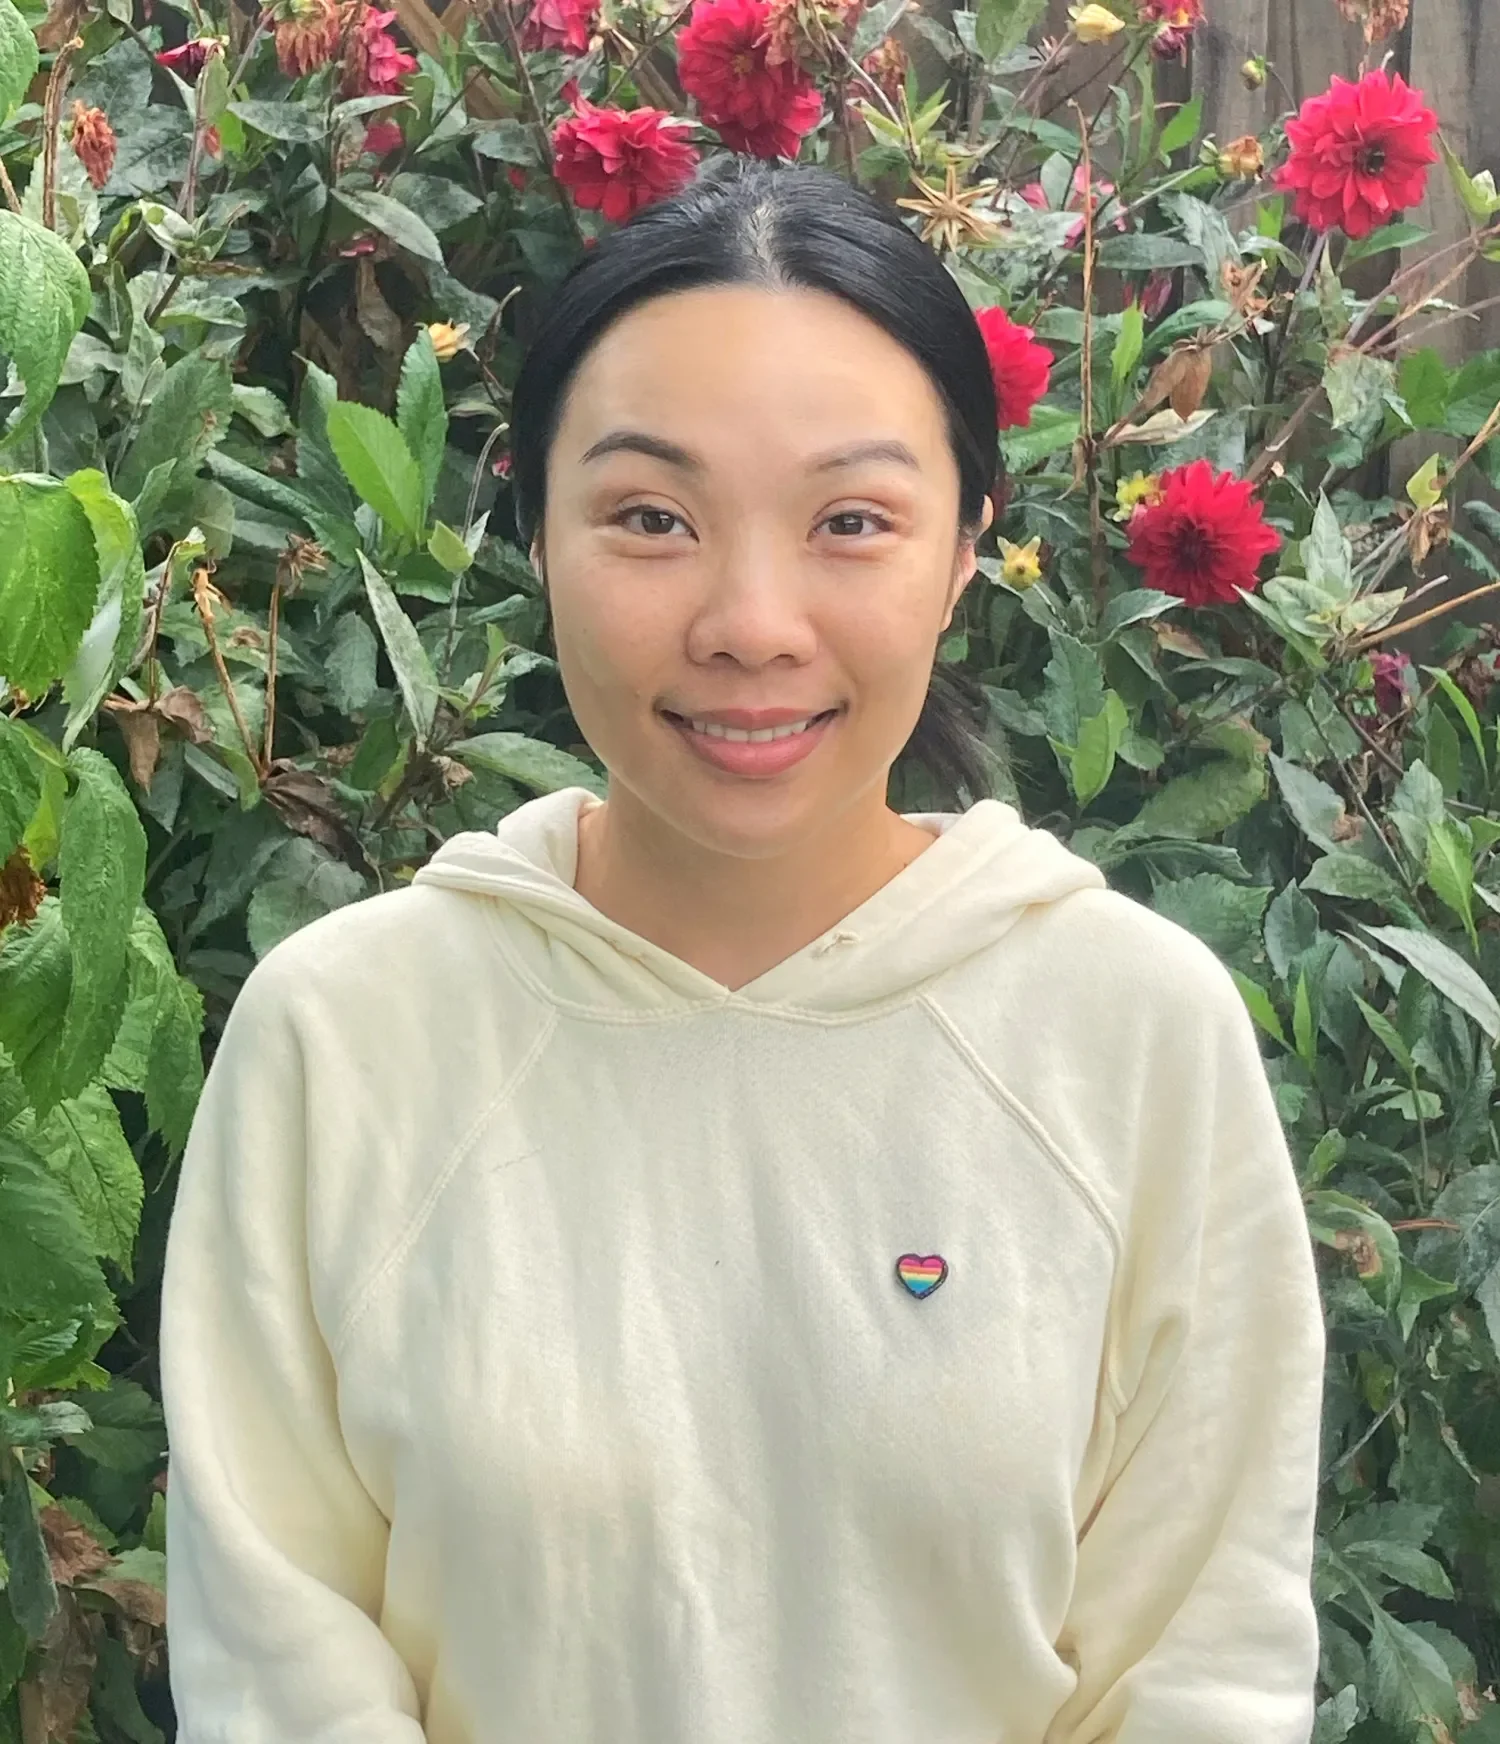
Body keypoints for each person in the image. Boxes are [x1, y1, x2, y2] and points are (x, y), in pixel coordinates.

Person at [160, 159, 1326, 1743]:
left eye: (853, 520)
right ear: (534, 530)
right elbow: (280, 1668)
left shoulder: (1129, 1035)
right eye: (652, 517)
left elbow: (1200, 1669)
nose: (751, 621)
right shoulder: (346, 1038)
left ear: (970, 540)